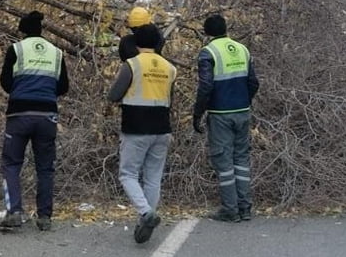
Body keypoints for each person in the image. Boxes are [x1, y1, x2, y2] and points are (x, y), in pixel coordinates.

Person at [0, 10, 69, 231]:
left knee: (12, 163)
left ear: (22, 31)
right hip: (47, 117)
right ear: (41, 30)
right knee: (45, 168)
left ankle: (13, 211)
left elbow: (5, 82)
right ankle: (44, 217)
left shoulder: (16, 50)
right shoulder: (56, 52)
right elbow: (64, 87)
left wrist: (22, 88)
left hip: (19, 115)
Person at [107, 23, 176, 244]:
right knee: (153, 177)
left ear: (136, 43)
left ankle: (146, 213)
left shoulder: (132, 64)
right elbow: (170, 99)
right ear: (157, 42)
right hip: (162, 126)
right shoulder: (169, 68)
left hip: (136, 126)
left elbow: (114, 94)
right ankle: (146, 217)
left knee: (127, 174)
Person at [192, 13, 259, 222]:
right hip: (242, 111)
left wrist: (198, 113)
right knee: (241, 160)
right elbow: (253, 82)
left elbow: (205, 86)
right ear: (225, 29)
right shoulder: (242, 49)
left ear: (207, 32)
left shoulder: (208, 53)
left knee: (224, 162)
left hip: (220, 114)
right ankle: (245, 207)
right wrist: (243, 100)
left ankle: (230, 209)